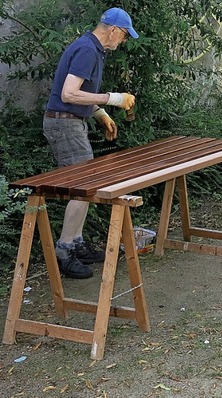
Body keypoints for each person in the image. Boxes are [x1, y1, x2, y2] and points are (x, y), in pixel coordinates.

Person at [44, 7, 138, 279]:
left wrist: (101, 114)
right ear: (114, 30)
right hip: (64, 124)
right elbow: (69, 93)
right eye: (124, 37)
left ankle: (77, 243)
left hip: (71, 121)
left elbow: (79, 91)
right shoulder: (87, 50)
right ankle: (65, 250)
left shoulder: (91, 48)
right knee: (84, 188)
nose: (123, 42)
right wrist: (114, 99)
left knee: (84, 187)